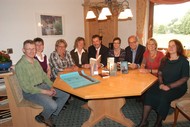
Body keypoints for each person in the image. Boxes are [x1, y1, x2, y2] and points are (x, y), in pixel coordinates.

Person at [15, 40, 70, 127]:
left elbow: (44, 76)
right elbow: (27, 88)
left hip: (43, 86)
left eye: (33, 48)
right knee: (53, 105)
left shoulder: (36, 61)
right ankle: (44, 116)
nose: (31, 51)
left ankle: (50, 114)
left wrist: (51, 86)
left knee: (65, 94)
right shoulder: (20, 65)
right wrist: (45, 92)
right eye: (28, 49)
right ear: (23, 50)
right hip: (31, 92)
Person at [137, 39, 189, 127]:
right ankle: (144, 122)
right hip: (163, 83)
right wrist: (161, 84)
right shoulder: (165, 59)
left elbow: (184, 78)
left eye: (173, 46)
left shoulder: (184, 61)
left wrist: (169, 86)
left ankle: (158, 123)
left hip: (177, 87)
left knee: (164, 97)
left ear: (178, 47)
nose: (171, 47)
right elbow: (160, 73)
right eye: (169, 45)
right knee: (149, 93)